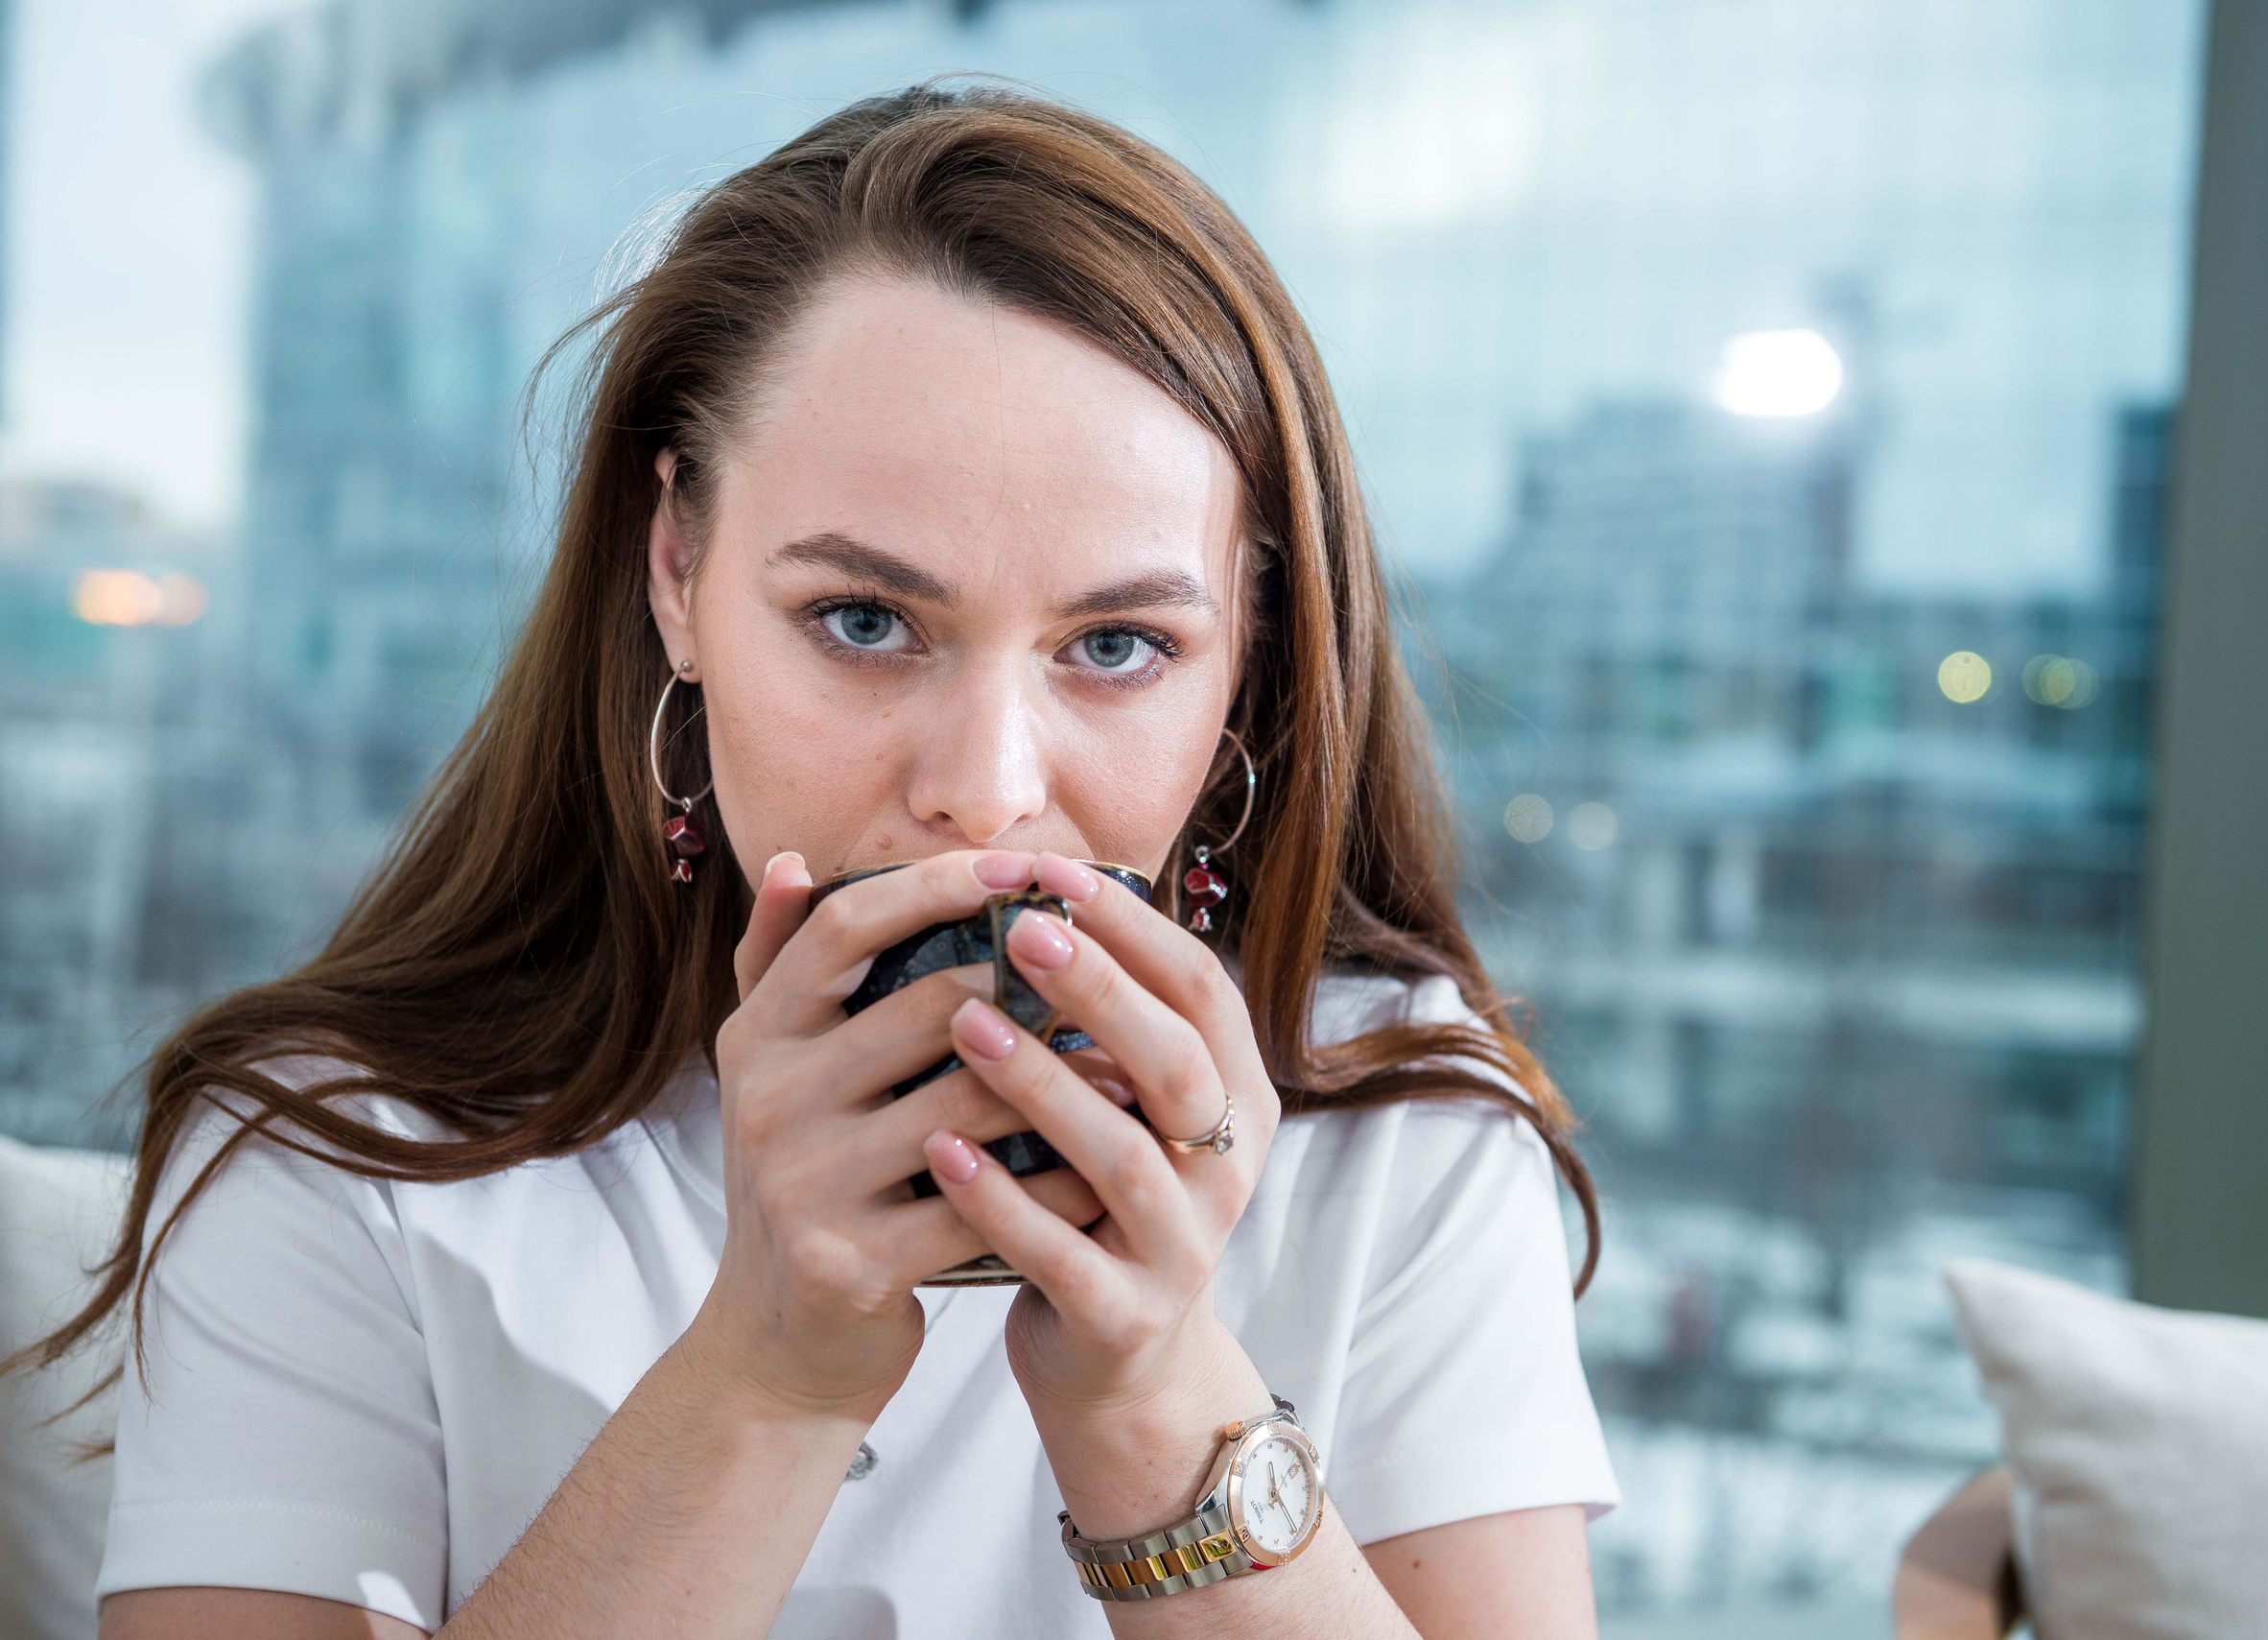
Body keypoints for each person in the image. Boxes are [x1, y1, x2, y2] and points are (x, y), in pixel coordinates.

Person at [19, 83, 1618, 1638]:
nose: (985, 793)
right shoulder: (330, 1152)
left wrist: (1154, 1392)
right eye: (864, 621)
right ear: (678, 571)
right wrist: (769, 1368)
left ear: (1246, 657)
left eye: (1117, 644)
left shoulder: (1400, 1133)